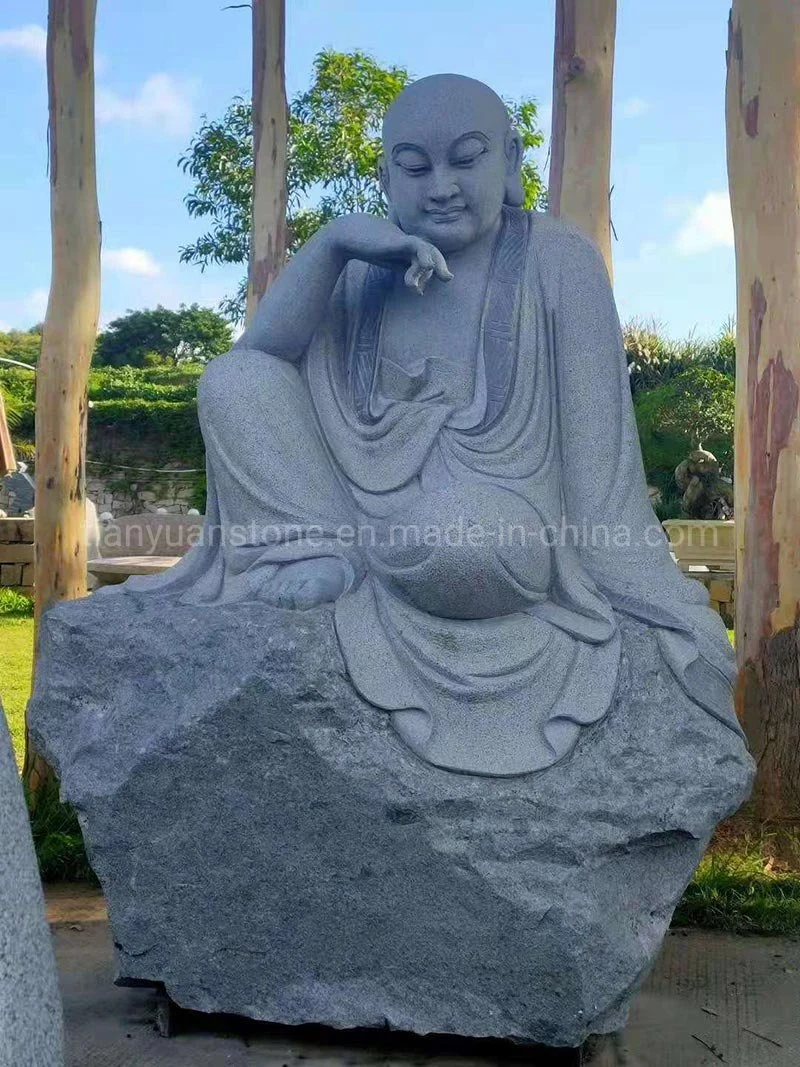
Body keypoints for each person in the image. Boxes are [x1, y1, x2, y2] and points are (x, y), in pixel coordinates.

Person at [99, 74, 743, 776]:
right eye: (413, 167)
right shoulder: (361, 268)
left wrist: (626, 573)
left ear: (510, 164)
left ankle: (369, 565)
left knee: (458, 541)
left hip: (492, 526)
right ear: (384, 177)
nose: (439, 185)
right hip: (354, 516)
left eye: (465, 160)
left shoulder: (558, 263)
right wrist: (336, 244)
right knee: (230, 379)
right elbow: (260, 366)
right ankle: (320, 552)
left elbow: (596, 477)